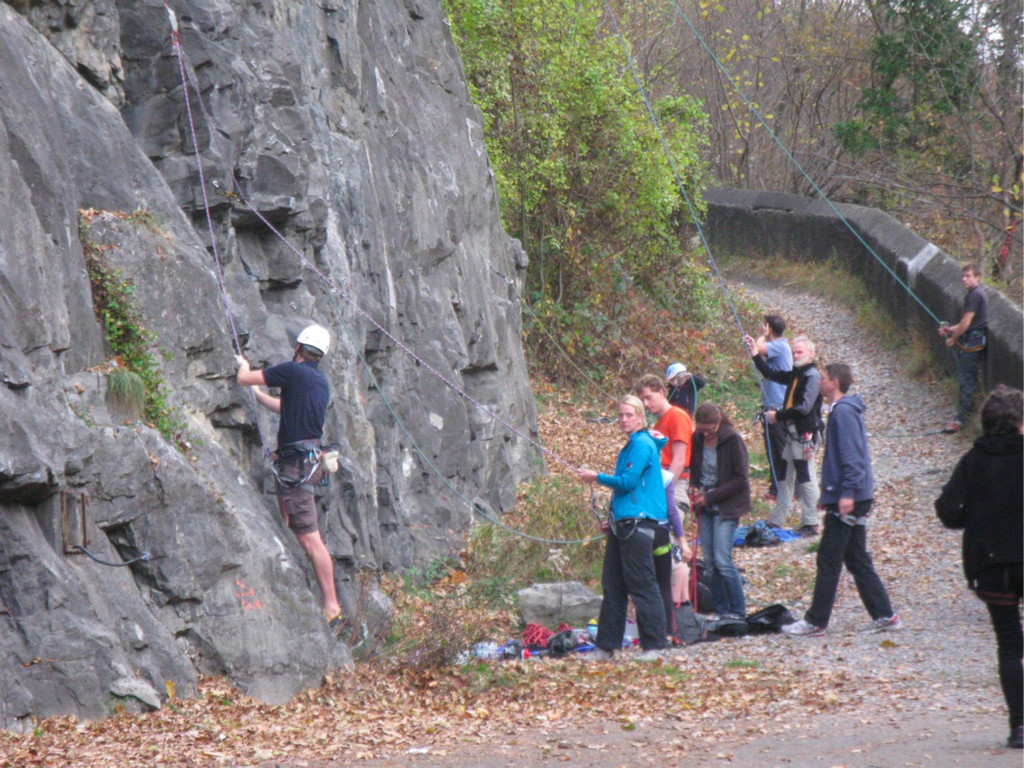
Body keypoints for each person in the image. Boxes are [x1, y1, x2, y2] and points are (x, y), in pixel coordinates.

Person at [234, 324, 342, 628]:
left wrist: (245, 368)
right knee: (288, 525)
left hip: (296, 465)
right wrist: (257, 394)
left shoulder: (292, 372)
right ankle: (290, 578)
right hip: (303, 462)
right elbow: (285, 406)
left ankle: (332, 607)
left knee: (310, 539)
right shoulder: (319, 382)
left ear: (298, 348)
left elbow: (243, 378)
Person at [782, 363, 900, 638]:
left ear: (834, 382)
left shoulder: (844, 412)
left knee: (828, 558)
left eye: (823, 378)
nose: (820, 382)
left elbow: (852, 457)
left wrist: (846, 494)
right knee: (856, 557)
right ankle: (885, 614)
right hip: (850, 495)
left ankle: (816, 621)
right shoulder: (842, 411)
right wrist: (830, 495)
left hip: (852, 496)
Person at [935, 385, 1023, 749]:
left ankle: (1019, 726)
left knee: (1008, 644)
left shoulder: (974, 460)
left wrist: (976, 520)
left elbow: (947, 509)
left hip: (991, 566)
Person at [579, 395, 670, 661]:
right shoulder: (631, 446)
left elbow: (628, 482)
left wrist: (595, 477)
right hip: (626, 523)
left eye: (629, 415)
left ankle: (655, 646)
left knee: (642, 586)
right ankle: (607, 647)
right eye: (620, 415)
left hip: (639, 525)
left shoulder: (642, 444)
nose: (623, 420)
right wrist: (614, 517)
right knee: (613, 586)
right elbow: (627, 491)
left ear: (641, 417)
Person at [743, 333, 822, 535]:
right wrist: (754, 353)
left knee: (805, 478)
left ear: (811, 354)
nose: (795, 355)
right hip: (792, 435)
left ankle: (812, 522)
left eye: (800, 352)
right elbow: (771, 374)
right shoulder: (797, 374)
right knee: (785, 476)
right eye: (794, 352)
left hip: (804, 435)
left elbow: (803, 408)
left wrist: (777, 416)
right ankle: (777, 520)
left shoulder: (812, 377)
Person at [635, 374, 694, 632]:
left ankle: (681, 613)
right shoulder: (659, 423)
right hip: (662, 484)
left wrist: (662, 492)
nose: (647, 403)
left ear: (661, 391)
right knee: (663, 546)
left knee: (673, 547)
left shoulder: (677, 416)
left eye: (649, 397)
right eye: (642, 399)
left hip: (675, 484)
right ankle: (670, 616)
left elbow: (679, 460)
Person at [689, 403, 750, 619]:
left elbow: (741, 480)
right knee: (710, 562)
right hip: (704, 505)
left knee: (723, 559)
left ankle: (737, 610)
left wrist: (709, 497)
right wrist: (694, 490)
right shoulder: (697, 439)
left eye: (709, 429)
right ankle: (720, 609)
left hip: (727, 506)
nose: (706, 434)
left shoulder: (732, 440)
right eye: (701, 429)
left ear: (718, 422)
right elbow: (695, 470)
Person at [938, 262, 989, 433]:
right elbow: (969, 321)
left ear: (978, 278)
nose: (963, 279)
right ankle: (963, 416)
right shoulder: (975, 295)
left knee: (967, 381)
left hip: (972, 344)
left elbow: (967, 323)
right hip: (972, 338)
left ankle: (961, 421)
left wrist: (953, 339)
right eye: (963, 276)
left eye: (968, 276)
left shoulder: (975, 296)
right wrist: (950, 329)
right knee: (966, 379)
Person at [753, 315, 792, 500]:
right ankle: (776, 486)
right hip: (772, 403)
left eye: (765, 325)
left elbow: (758, 349)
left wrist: (762, 335)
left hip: (777, 404)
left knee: (779, 447)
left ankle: (785, 487)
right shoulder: (780, 346)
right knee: (772, 448)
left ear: (769, 327)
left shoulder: (779, 346)